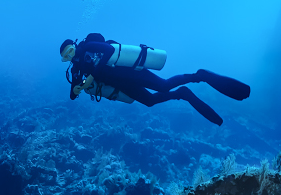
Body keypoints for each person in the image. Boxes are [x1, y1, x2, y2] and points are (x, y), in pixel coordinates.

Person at [60, 33, 250, 126]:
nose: (70, 56)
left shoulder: (88, 47)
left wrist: (92, 75)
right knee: (150, 101)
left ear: (74, 45)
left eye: (70, 51)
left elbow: (109, 50)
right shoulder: (76, 68)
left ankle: (199, 76)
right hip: (122, 85)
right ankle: (182, 94)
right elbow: (72, 95)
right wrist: (75, 90)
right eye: (66, 56)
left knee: (164, 85)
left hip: (132, 73)